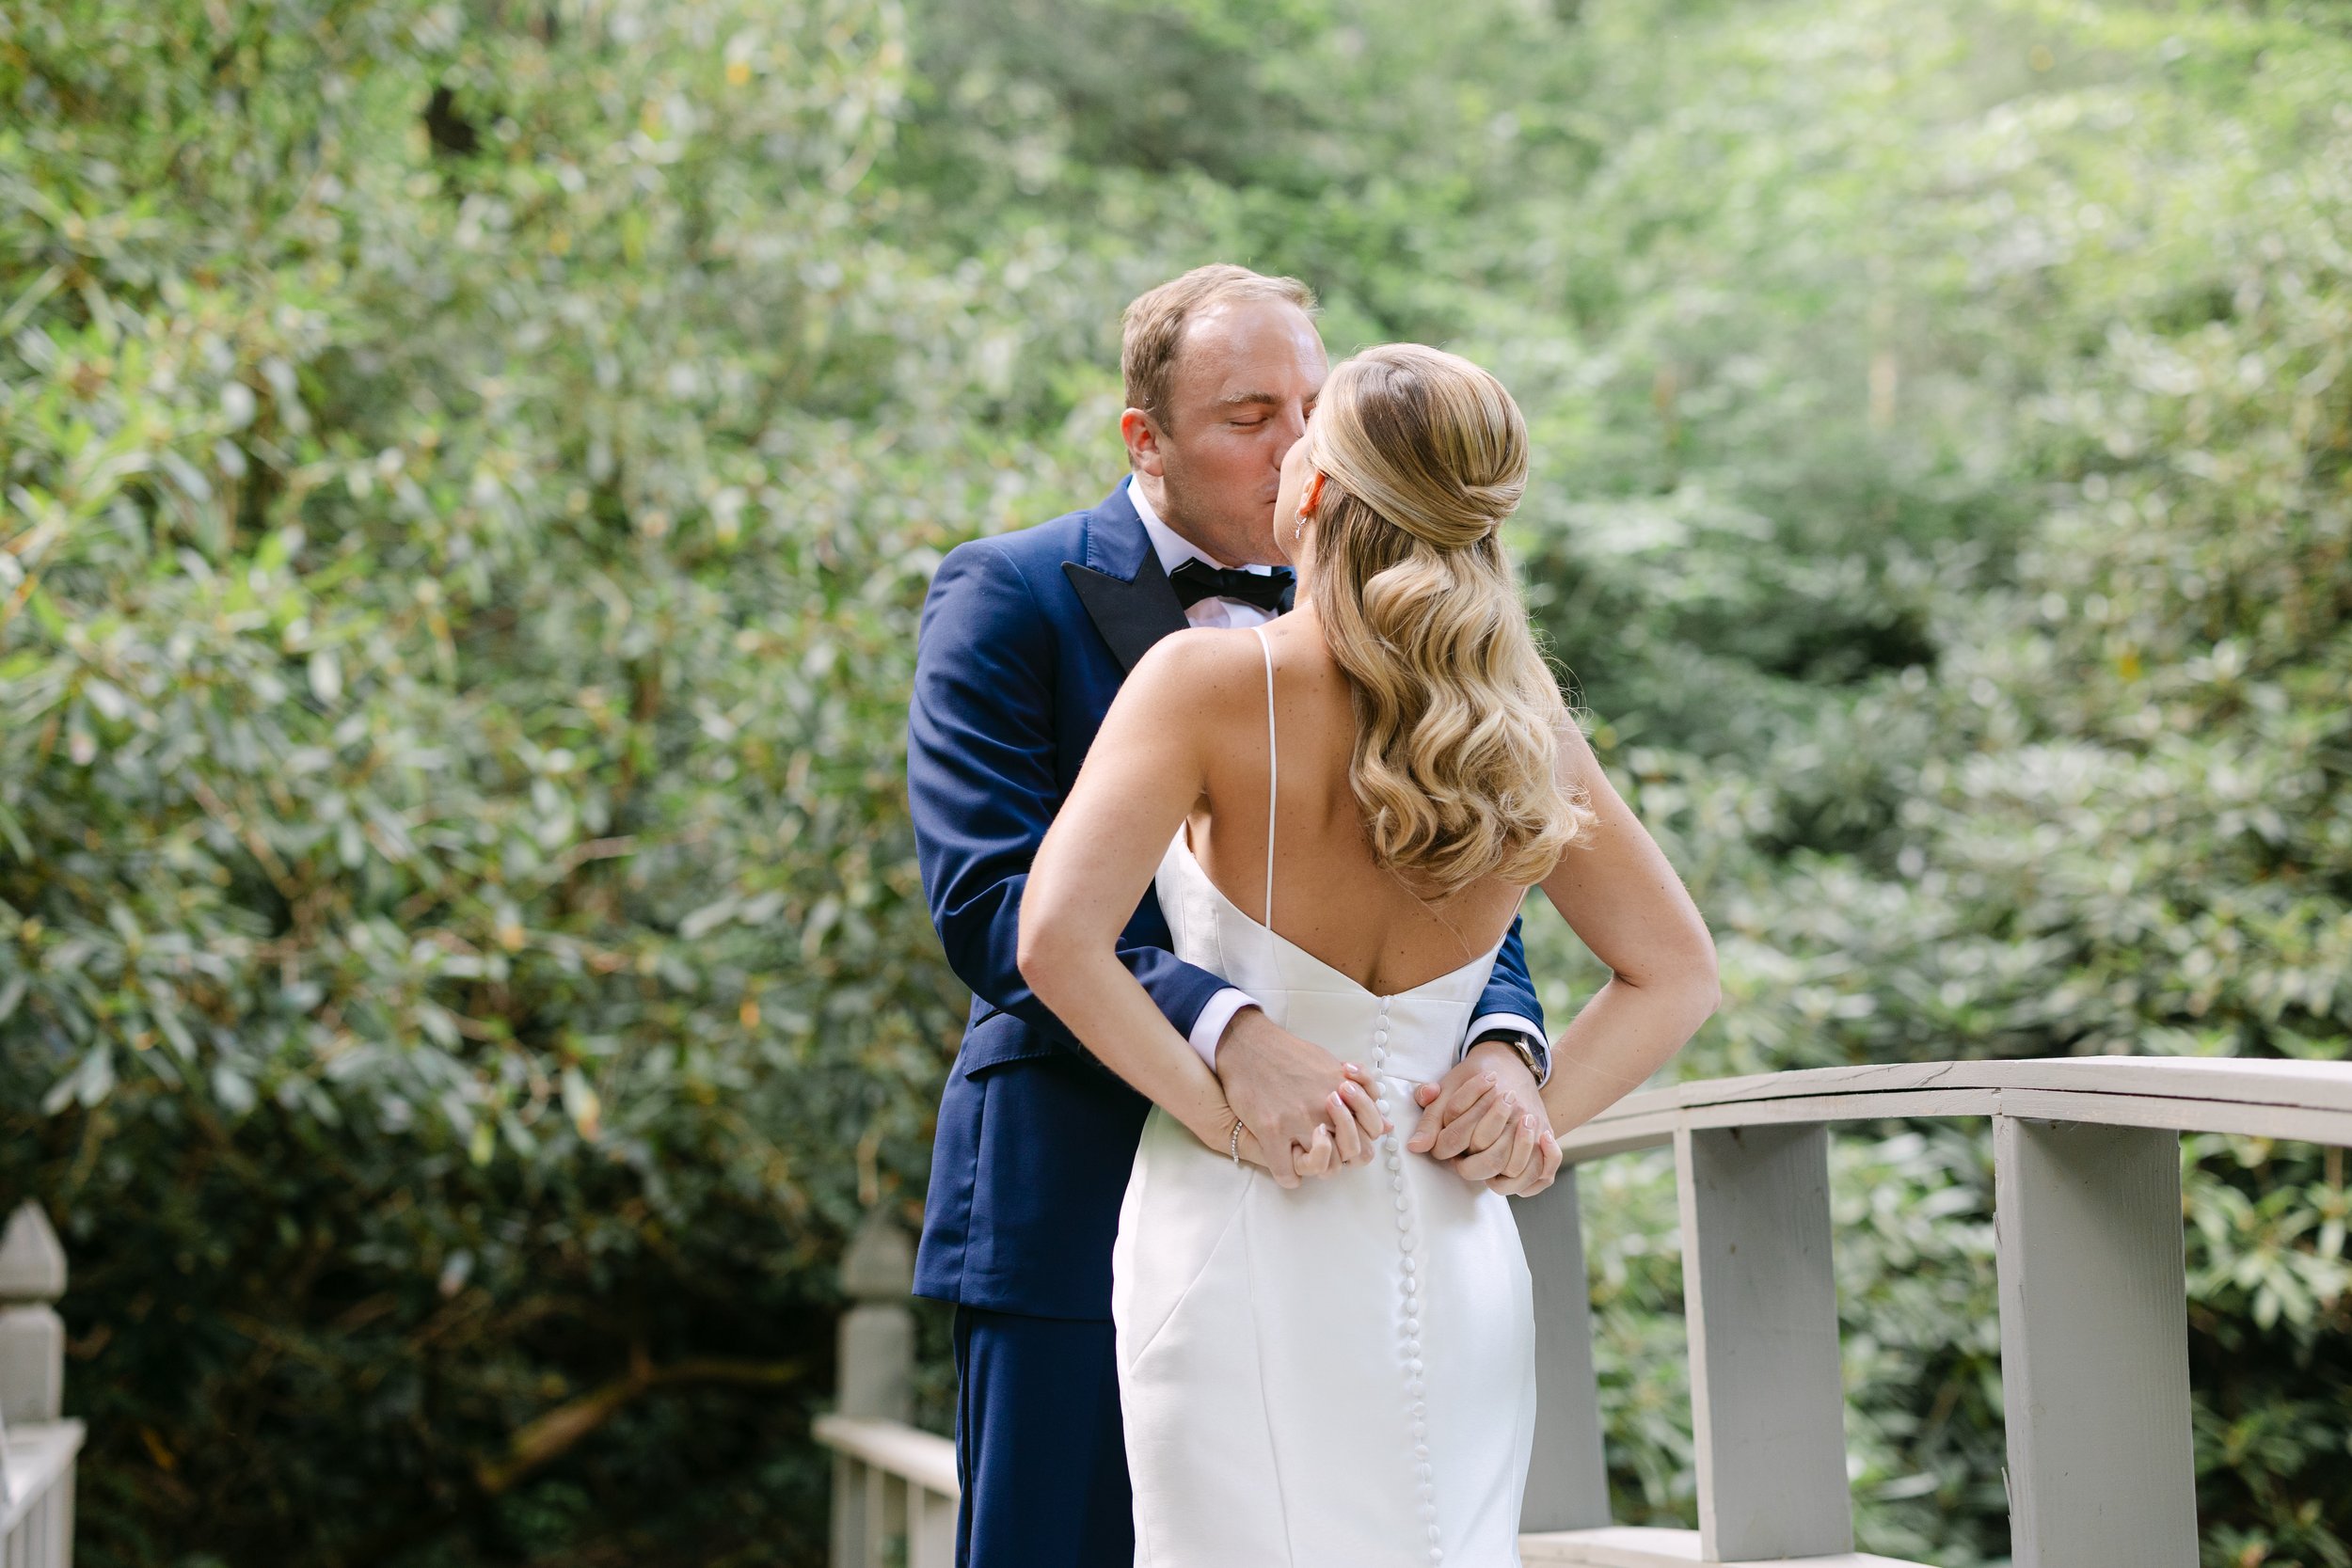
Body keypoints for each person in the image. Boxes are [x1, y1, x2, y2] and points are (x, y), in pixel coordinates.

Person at [1018, 342, 1721, 1564]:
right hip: (1455, 1250)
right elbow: (1677, 973)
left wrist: (1219, 1108)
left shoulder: (1202, 683)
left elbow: (1056, 940)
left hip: (1241, 1231)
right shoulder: (1527, 731)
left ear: (1315, 493)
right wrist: (1531, 1108)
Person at [907, 268, 1565, 1568]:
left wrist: (1503, 1035)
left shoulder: (1423, 627)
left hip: (1354, 1213)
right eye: (1248, 414)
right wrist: (1225, 1026)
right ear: (1143, 441)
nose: (1297, 442)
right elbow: (994, 899)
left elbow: (1475, 860)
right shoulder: (1011, 594)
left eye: (1314, 406)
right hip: (1073, 1191)